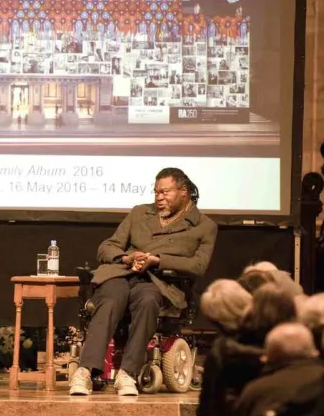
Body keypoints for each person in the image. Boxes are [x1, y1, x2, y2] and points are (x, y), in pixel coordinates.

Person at [70, 167, 217, 396]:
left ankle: (127, 374)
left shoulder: (204, 226)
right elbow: (106, 247)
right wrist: (126, 257)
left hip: (158, 282)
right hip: (122, 273)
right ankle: (85, 372)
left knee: (148, 301)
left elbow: (198, 265)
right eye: (156, 192)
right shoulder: (139, 213)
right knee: (110, 299)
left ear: (184, 192)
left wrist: (157, 261)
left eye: (165, 192)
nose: (159, 197)